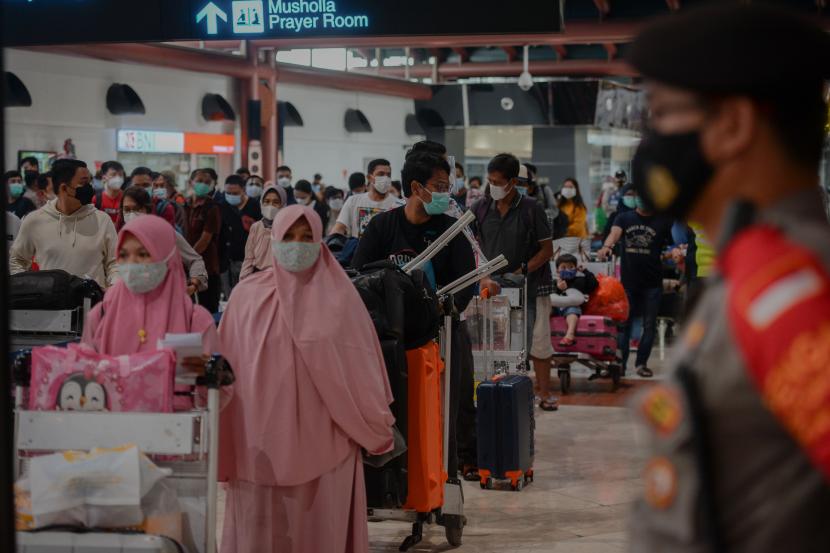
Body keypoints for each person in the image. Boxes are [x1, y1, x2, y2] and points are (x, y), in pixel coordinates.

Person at [625, 5, 830, 552]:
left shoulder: (790, 294)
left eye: (663, 115)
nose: (651, 140)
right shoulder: (750, 272)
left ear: (735, 125)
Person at [218, 205, 394, 553]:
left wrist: (373, 423)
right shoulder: (245, 298)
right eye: (289, 237)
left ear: (321, 241)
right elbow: (226, 373)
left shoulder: (342, 299)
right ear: (274, 239)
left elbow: (363, 369)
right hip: (260, 442)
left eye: (306, 237)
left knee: (320, 531)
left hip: (328, 442)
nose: (297, 245)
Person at [352, 151, 476, 478]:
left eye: (448, 186)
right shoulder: (383, 226)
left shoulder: (452, 230)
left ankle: (445, 472)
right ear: (417, 187)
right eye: (439, 185)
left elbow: (467, 284)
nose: (446, 193)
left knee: (449, 407)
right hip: (390, 337)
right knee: (395, 407)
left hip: (443, 331)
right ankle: (392, 476)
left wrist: (444, 310)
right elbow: (359, 276)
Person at [80, 215, 217, 412]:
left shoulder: (193, 322)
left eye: (143, 254)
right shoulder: (101, 315)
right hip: (110, 435)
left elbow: (210, 394)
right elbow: (84, 379)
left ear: (168, 257)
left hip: (173, 435)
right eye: (124, 255)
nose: (132, 263)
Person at [472, 153, 556, 411]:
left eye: (498, 181)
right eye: (490, 180)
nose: (493, 186)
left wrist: (522, 270)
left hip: (528, 286)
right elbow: (473, 246)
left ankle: (538, 393)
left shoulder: (531, 208)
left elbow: (546, 250)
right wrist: (483, 274)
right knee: (492, 343)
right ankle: (494, 392)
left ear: (511, 182)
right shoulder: (480, 208)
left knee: (531, 342)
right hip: (491, 286)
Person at [598, 187, 672, 377]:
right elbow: (614, 234)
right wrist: (607, 246)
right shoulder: (624, 218)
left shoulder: (663, 221)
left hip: (653, 283)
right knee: (625, 324)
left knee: (649, 325)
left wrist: (675, 252)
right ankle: (620, 364)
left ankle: (641, 364)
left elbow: (672, 244)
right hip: (629, 282)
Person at [10, 159, 118, 289]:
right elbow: (17, 260)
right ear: (64, 188)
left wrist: (113, 287)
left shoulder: (102, 220)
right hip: (50, 306)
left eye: (89, 181)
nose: (89, 188)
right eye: (83, 183)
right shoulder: (34, 220)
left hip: (93, 305)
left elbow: (114, 263)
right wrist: (29, 288)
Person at [120, 186, 207, 295]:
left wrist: (194, 285)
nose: (132, 214)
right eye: (127, 210)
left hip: (167, 298)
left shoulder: (165, 234)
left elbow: (195, 260)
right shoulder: (121, 239)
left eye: (137, 209)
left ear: (147, 210)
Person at [332, 159, 401, 239]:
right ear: (369, 177)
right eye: (381, 174)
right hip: (358, 250)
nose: (385, 178)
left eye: (388, 175)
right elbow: (338, 229)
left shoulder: (399, 205)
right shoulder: (353, 201)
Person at [184, 169, 223, 313]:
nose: (203, 184)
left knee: (207, 311)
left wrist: (188, 258)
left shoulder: (212, 208)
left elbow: (205, 240)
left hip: (207, 268)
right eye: (199, 181)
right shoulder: (184, 205)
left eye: (207, 182)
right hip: (185, 269)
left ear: (212, 186)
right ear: (191, 182)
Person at [218, 174, 261, 298]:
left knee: (248, 297)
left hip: (249, 261)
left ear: (243, 190)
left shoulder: (255, 207)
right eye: (228, 193)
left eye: (235, 193)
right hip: (226, 261)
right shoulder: (222, 206)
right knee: (230, 297)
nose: (231, 196)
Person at [240, 184, 286, 280]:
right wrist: (244, 281)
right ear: (261, 203)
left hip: (280, 279)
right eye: (267, 201)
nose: (270, 206)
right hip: (258, 278)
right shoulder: (256, 227)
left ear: (283, 205)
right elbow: (249, 258)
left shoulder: (288, 228)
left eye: (276, 202)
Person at [552, 254, 598, 346]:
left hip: (572, 310)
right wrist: (558, 289)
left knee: (572, 309)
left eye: (571, 267)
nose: (567, 270)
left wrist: (585, 271)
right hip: (557, 309)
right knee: (545, 308)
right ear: (557, 270)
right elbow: (550, 298)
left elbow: (594, 285)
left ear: (576, 268)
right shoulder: (554, 282)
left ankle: (570, 335)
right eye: (563, 267)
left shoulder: (580, 280)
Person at [554, 177, 590, 258]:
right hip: (561, 243)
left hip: (577, 243)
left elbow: (578, 227)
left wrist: (561, 232)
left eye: (570, 187)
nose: (567, 189)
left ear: (576, 189)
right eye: (565, 187)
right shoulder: (559, 205)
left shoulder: (579, 207)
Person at [93, 161, 125, 225]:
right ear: (104, 178)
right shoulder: (97, 199)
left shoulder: (127, 197)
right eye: (113, 174)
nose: (118, 178)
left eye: (120, 175)